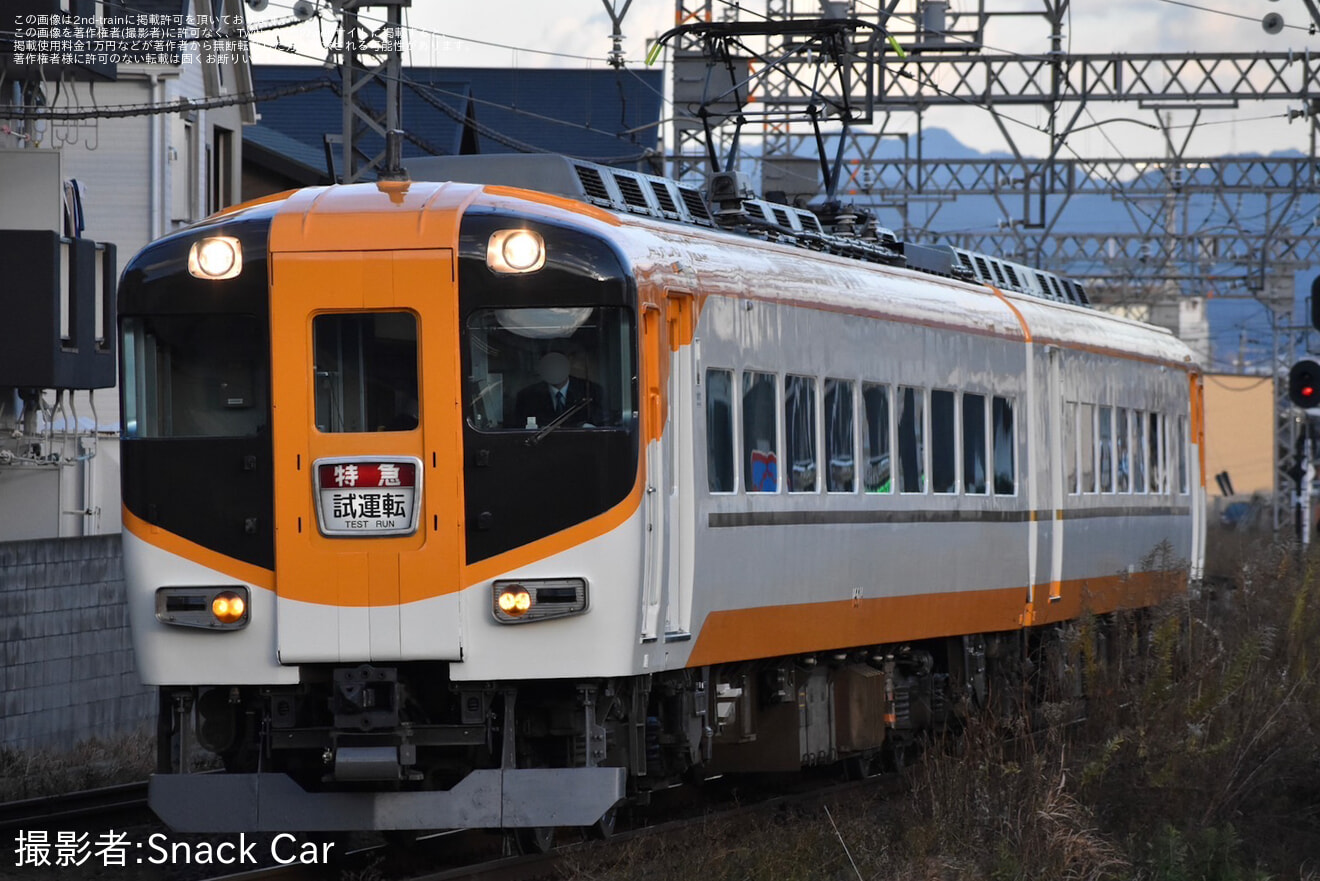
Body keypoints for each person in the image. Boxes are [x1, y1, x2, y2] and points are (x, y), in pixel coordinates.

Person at [514, 351, 606, 428]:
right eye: (549, 365)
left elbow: (600, 422)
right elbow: (520, 426)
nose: (554, 369)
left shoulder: (591, 390)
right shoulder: (527, 395)